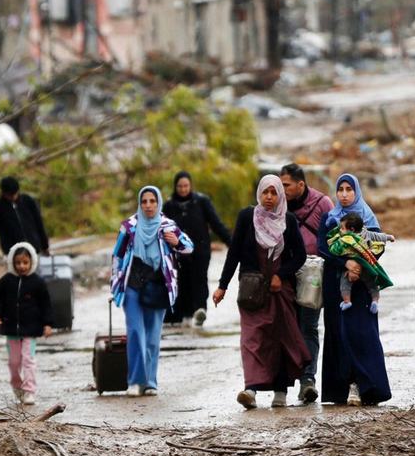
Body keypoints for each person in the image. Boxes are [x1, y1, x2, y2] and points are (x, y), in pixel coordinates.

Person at [213, 175, 310, 409]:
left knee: (279, 339)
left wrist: (281, 274)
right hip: (252, 291)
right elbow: (234, 252)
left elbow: (300, 256)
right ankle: (251, 389)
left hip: (280, 291)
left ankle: (280, 390)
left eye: (273, 192)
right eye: (265, 192)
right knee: (252, 339)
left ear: (280, 195)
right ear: (259, 193)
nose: (269, 197)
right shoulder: (247, 217)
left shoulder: (288, 221)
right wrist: (222, 285)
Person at [109, 186, 194, 397]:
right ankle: (135, 381)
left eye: (152, 201)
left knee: (153, 337)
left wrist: (176, 242)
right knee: (136, 332)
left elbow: (189, 247)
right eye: (144, 201)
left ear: (158, 203)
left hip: (157, 287)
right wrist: (115, 284)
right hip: (132, 286)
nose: (148, 205)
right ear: (140, 203)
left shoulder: (167, 227)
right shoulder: (129, 227)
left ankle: (150, 382)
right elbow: (117, 256)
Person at [318, 173, 391, 406]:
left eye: (349, 189)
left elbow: (377, 246)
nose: (345, 194)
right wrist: (345, 263)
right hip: (335, 286)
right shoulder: (330, 218)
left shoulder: (367, 217)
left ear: (357, 191)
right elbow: (323, 248)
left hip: (361, 286)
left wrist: (358, 264)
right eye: (341, 189)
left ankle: (367, 386)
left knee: (362, 334)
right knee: (339, 334)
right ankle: (343, 389)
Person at [279, 163, 333, 404]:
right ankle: (283, 384)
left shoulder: (322, 203)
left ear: (301, 185)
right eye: (280, 185)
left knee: (309, 327)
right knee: (287, 329)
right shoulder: (277, 206)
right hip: (285, 275)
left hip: (313, 274)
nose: (282, 190)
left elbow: (335, 238)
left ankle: (308, 381)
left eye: (286, 185)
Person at [162, 171, 231, 327]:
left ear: (190, 185)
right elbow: (161, 229)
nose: (183, 189)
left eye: (186, 186)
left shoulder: (202, 202)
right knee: (181, 282)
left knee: (199, 279)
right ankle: (182, 316)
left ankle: (200, 309)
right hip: (177, 253)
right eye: (180, 186)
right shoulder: (169, 206)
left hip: (200, 251)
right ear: (175, 187)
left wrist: (231, 242)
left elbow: (216, 223)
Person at [0, 242, 53, 406]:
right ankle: (17, 386)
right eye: (18, 263)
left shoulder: (37, 282)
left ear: (32, 262)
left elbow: (46, 304)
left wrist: (47, 324)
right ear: (12, 262)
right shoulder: (6, 281)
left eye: (25, 262)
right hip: (11, 329)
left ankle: (29, 390)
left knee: (28, 360)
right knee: (13, 362)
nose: (22, 266)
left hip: (31, 331)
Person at [327, 212, 395, 313]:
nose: (340, 230)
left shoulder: (346, 239)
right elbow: (376, 236)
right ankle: (375, 301)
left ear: (352, 230)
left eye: (342, 228)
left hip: (349, 268)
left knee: (344, 283)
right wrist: (389, 237)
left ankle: (347, 301)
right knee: (372, 284)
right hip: (366, 264)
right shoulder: (365, 232)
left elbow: (334, 250)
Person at [0, 177, 49, 264]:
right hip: (13, 252)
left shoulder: (28, 201)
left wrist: (45, 246)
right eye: (10, 195)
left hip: (33, 249)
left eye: (15, 194)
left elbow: (39, 224)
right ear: (3, 193)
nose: (13, 197)